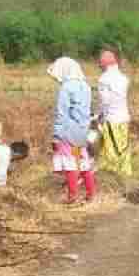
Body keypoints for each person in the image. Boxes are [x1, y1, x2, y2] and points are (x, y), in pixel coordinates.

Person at [49, 57, 97, 204]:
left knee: (70, 164)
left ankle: (72, 196)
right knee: (81, 161)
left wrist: (56, 136)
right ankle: (90, 194)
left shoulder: (66, 88)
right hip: (82, 132)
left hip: (68, 133)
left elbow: (61, 114)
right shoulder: (85, 86)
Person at [96, 49, 132, 177]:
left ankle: (112, 178)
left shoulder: (104, 79)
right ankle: (125, 175)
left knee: (111, 149)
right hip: (124, 118)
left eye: (100, 62)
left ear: (105, 63)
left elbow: (104, 102)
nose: (98, 65)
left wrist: (98, 116)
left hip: (111, 119)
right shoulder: (123, 78)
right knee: (123, 148)